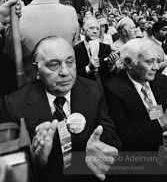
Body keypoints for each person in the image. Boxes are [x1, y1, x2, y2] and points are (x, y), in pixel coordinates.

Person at [1, 36, 121, 182]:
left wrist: (101, 149)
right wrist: (36, 160)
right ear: (36, 69)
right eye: (53, 65)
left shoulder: (93, 90)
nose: (65, 72)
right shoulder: (14, 104)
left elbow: (110, 135)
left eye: (70, 62)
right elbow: (9, 169)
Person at [103, 38, 167, 181]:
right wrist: (162, 123)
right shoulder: (112, 89)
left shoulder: (162, 81)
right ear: (128, 63)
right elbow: (124, 133)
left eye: (157, 61)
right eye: (149, 62)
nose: (156, 67)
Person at [5, 0, 79, 81]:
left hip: (32, 83)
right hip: (66, 80)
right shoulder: (70, 12)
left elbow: (11, 55)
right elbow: (72, 45)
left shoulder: (16, 17)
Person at [74, 16, 114, 85]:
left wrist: (112, 67)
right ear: (83, 30)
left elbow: (109, 75)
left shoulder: (106, 48)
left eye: (97, 29)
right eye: (91, 28)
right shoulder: (75, 50)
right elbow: (74, 74)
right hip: (84, 88)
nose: (95, 31)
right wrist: (88, 68)